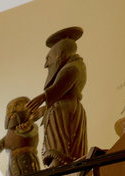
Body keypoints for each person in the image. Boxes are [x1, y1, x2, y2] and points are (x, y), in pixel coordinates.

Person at [37, 26, 88, 168]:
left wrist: (42, 97)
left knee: (63, 150)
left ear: (59, 55)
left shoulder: (72, 68)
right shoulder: (74, 66)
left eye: (49, 58)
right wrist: (43, 109)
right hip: (62, 109)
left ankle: (59, 164)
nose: (46, 64)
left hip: (64, 112)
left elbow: (59, 88)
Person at [0, 96, 40, 176]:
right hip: (11, 166)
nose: (12, 110)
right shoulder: (8, 135)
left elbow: (31, 132)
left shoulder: (31, 126)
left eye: (18, 105)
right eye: (9, 109)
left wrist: (27, 130)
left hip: (28, 161)